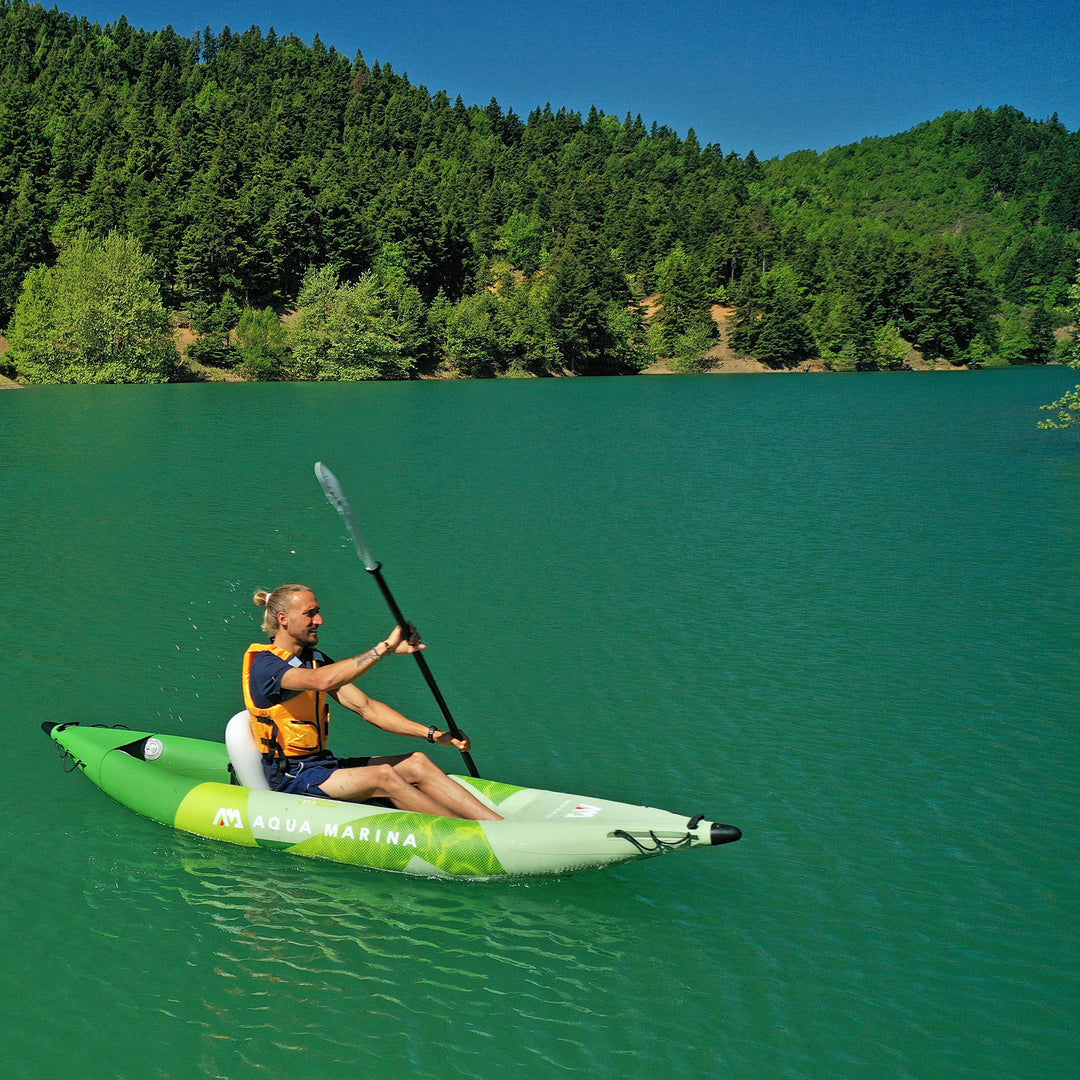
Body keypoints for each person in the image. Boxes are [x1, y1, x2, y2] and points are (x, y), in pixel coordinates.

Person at [242, 584, 501, 820]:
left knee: (417, 762)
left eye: (318, 612)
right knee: (383, 775)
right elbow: (320, 681)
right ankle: (468, 837)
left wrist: (434, 735)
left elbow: (368, 708)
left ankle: (497, 825)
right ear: (283, 619)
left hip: (323, 765)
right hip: (292, 777)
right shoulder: (267, 666)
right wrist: (383, 649)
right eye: (310, 614)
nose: (319, 620)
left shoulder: (315, 659)